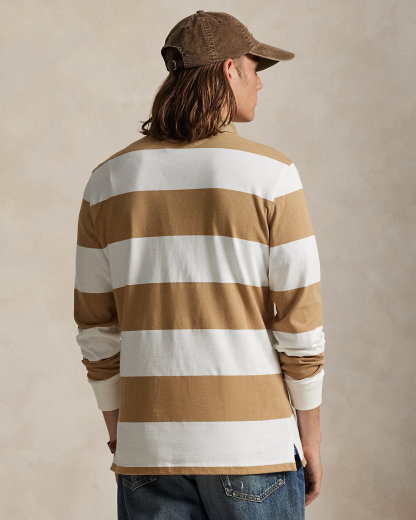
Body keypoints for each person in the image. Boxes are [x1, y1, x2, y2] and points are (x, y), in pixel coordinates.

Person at [74, 9, 325, 519]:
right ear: (230, 70)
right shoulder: (272, 175)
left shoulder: (107, 181)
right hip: (254, 449)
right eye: (255, 68)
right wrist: (311, 437)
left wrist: (121, 434)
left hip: (147, 454)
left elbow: (96, 330)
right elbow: (299, 325)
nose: (260, 83)